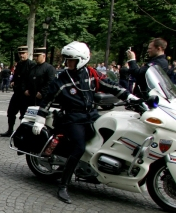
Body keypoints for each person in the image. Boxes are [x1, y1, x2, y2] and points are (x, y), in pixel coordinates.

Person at [32, 41, 138, 204]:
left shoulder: (91, 74)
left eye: (71, 60)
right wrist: (39, 119)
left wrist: (130, 97)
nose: (67, 63)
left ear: (81, 59)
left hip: (91, 115)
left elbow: (110, 86)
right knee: (79, 146)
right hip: (73, 118)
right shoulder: (62, 79)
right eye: (67, 60)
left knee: (109, 133)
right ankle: (63, 185)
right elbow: (48, 99)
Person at [0, 46, 35, 137]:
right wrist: (12, 81)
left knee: (24, 115)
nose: (21, 55)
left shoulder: (31, 64)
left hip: (25, 94)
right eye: (20, 53)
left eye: (23, 53)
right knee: (10, 112)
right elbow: (15, 76)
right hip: (17, 92)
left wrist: (28, 89)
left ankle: (23, 133)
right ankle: (10, 130)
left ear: (27, 53)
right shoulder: (18, 64)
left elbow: (31, 79)